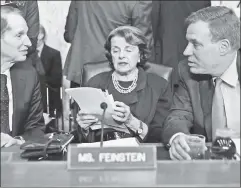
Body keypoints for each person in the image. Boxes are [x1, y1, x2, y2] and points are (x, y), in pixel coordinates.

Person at [162, 6, 240, 160]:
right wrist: (177, 137)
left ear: (223, 47)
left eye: (195, 44)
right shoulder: (187, 71)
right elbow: (178, 116)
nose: (186, 52)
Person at [76, 26, 172, 143]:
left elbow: (163, 136)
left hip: (142, 154)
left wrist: (132, 122)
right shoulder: (94, 83)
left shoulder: (159, 85)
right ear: (111, 55)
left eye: (128, 50)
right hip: (102, 154)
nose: (121, 55)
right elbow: (82, 138)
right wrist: (84, 128)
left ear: (140, 55)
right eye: (116, 50)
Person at [63, 1, 154, 88]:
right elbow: (144, 47)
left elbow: (69, 35)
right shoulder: (139, 2)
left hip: (81, 72)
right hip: (118, 77)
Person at [1, 6, 45, 147]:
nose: (29, 43)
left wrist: (18, 141)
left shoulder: (29, 75)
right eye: (19, 35)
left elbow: (36, 128)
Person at [37, 24, 62, 118]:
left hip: (49, 100)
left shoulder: (54, 54)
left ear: (41, 35)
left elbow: (56, 80)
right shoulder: (26, 55)